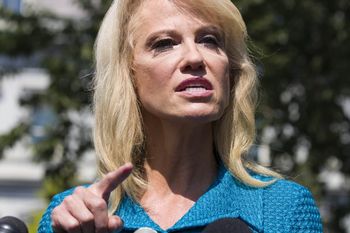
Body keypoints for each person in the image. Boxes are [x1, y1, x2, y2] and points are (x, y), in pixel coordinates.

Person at [38, 0, 323, 232]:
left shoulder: (284, 209)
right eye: (164, 43)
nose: (195, 57)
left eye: (209, 40)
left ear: (232, 73)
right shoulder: (73, 219)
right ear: (128, 75)